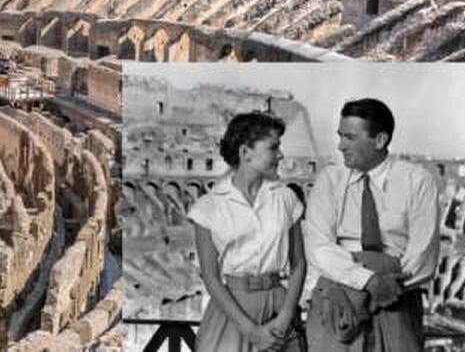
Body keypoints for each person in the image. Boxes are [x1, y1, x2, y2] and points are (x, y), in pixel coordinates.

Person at [304, 98, 439, 351]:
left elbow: (423, 259)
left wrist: (382, 285)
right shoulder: (330, 180)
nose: (340, 145)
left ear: (380, 140)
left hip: (395, 303)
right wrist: (368, 281)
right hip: (338, 304)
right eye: (340, 136)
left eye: (350, 138)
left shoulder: (417, 181)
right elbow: (318, 248)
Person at [188, 112, 306, 351]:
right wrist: (251, 331)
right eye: (273, 148)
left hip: (279, 308)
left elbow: (299, 264)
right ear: (245, 153)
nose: (280, 155)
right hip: (232, 313)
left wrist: (284, 320)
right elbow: (211, 277)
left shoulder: (285, 198)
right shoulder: (207, 207)